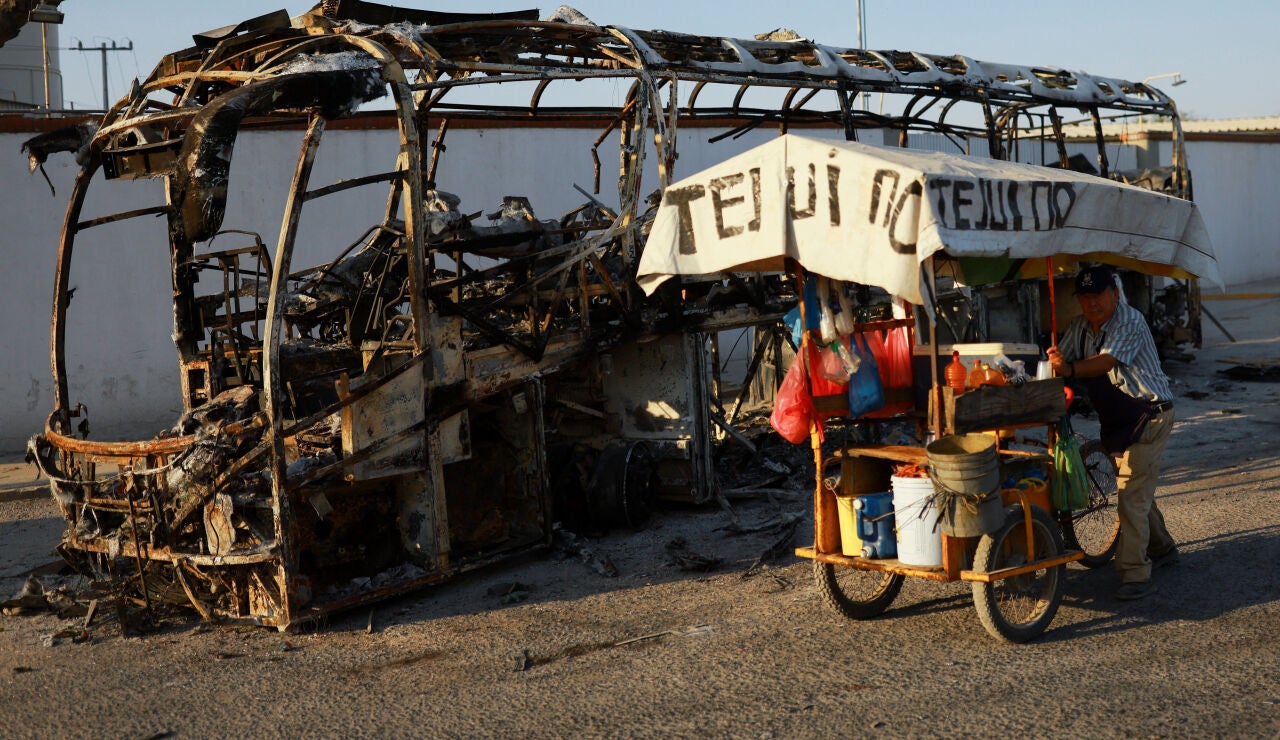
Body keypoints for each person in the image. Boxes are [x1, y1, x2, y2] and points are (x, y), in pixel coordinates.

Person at [1047, 266, 1178, 601]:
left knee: (1131, 494)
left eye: (1098, 295)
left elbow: (1105, 363)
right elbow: (1061, 361)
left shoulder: (1130, 321)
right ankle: (1162, 547)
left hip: (1150, 415)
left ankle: (1135, 573)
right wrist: (1055, 361)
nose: (1092, 304)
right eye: (1085, 297)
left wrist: (1071, 369)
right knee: (1135, 487)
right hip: (1118, 418)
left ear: (1115, 294)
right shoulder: (1080, 327)